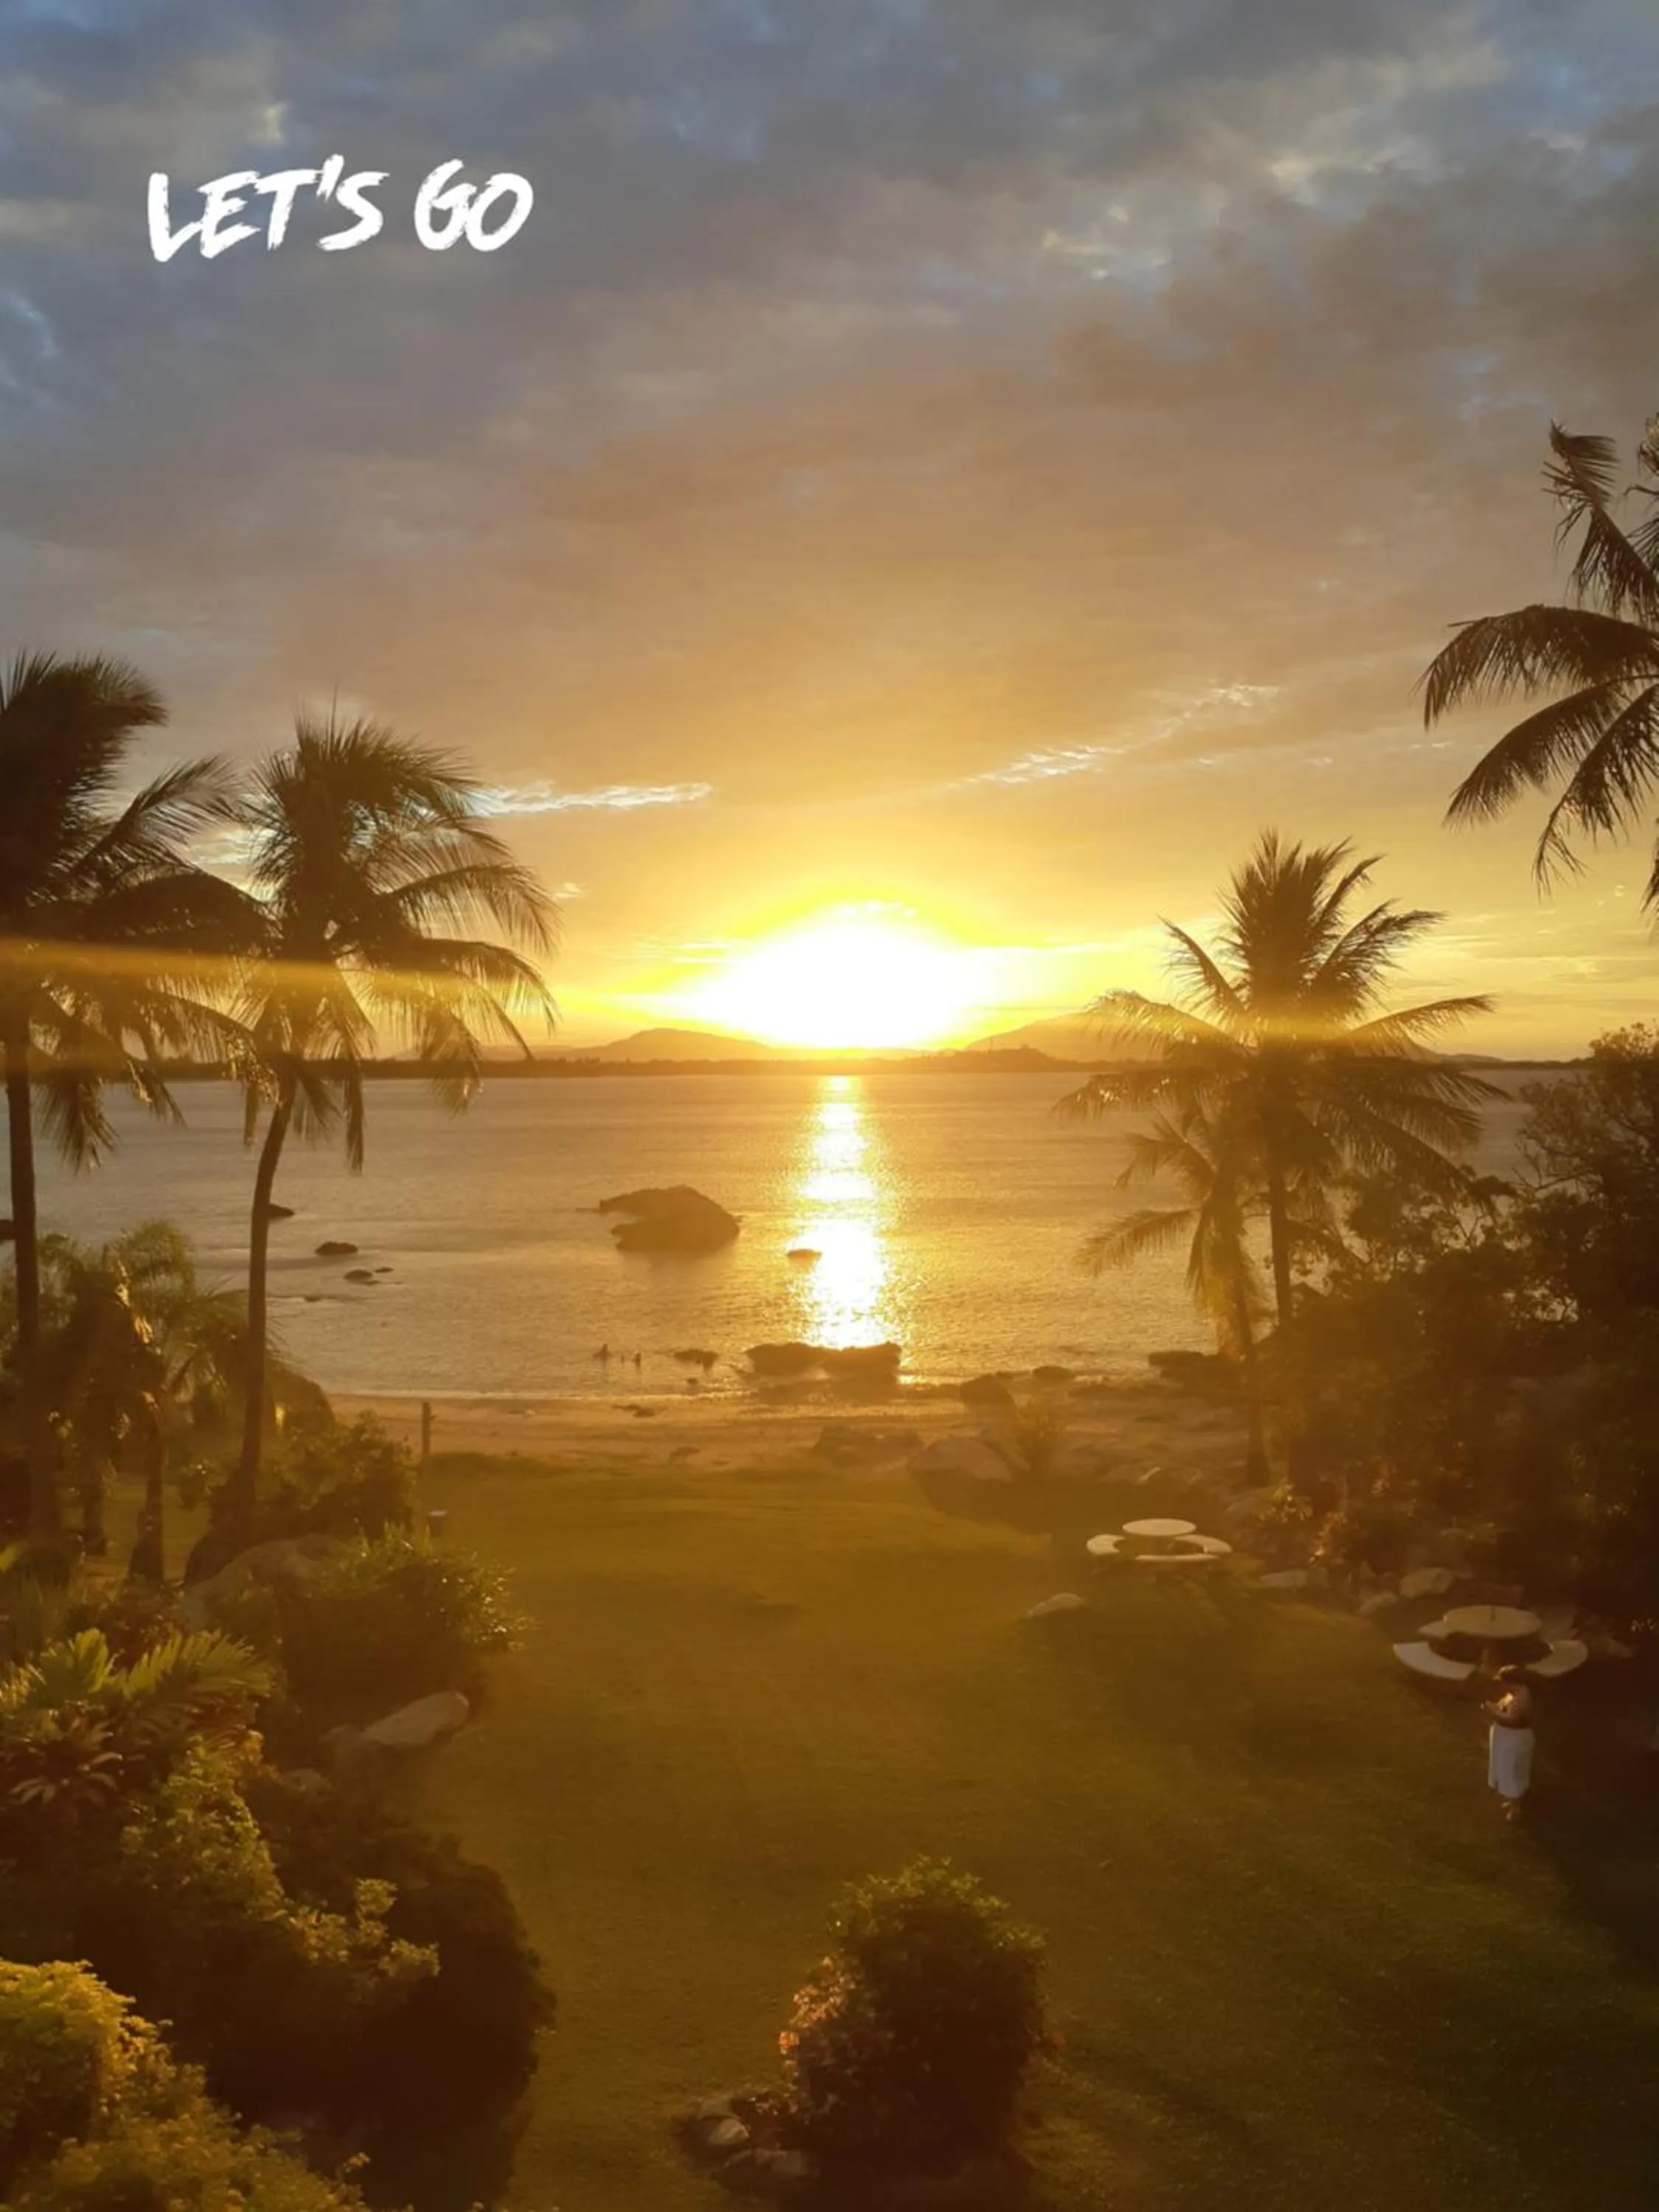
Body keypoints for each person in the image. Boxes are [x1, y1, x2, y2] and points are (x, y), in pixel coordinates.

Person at [1484, 1667, 1535, 1820]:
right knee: (1506, 1770)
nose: (1500, 1686)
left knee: (1511, 1770)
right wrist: (1494, 1707)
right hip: (1506, 1738)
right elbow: (1503, 1709)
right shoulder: (1513, 1693)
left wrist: (1492, 1713)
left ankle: (1516, 1807)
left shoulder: (1520, 1699)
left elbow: (1512, 1719)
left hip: (1513, 1740)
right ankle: (1512, 1800)